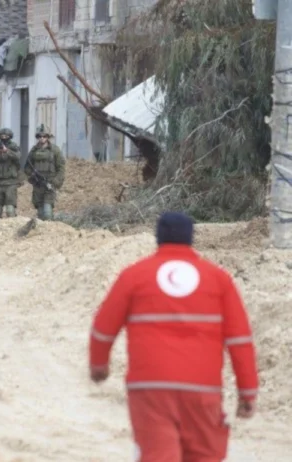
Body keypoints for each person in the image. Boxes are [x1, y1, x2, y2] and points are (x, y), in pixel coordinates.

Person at [89, 212, 258, 461]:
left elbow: (104, 326)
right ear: (191, 238)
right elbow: (239, 340)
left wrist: (99, 365)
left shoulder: (134, 275)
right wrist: (248, 391)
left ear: (158, 237)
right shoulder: (218, 279)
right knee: (204, 455)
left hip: (150, 387)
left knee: (158, 454)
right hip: (202, 388)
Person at [23, 124, 65, 220]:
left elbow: (61, 168)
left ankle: (49, 228)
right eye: (39, 136)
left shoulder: (55, 150)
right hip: (38, 185)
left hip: (49, 184)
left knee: (47, 212)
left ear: (48, 137)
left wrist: (56, 181)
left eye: (44, 136)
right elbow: (27, 167)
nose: (42, 138)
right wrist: (32, 176)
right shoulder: (33, 151)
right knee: (40, 213)